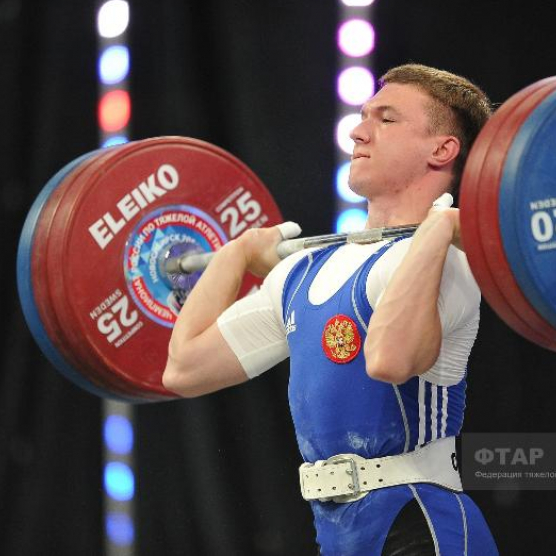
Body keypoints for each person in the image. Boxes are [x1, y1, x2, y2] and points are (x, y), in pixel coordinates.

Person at [162, 64, 499, 555]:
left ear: (441, 149)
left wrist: (439, 229)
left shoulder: (450, 261)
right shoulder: (302, 272)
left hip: (421, 524)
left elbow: (388, 360)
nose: (358, 131)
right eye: (362, 116)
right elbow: (183, 368)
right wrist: (233, 257)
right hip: (338, 533)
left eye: (386, 120)